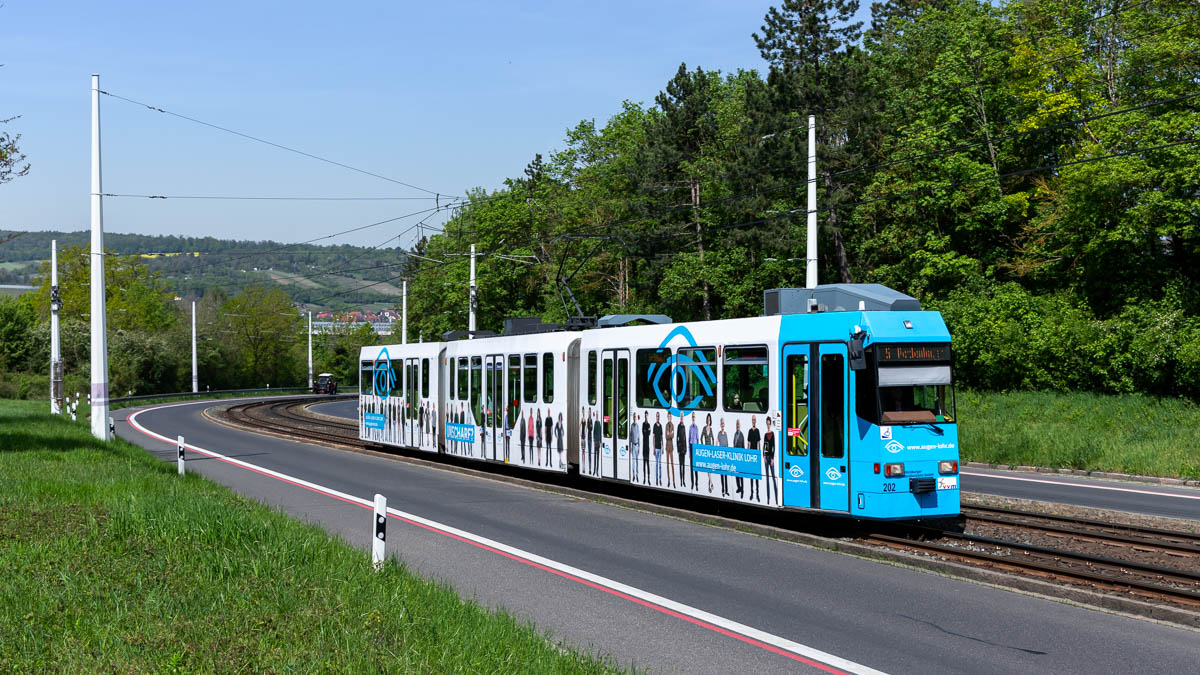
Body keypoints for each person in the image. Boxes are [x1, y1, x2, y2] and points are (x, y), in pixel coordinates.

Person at [747, 415, 762, 502]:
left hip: (756, 454)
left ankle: (757, 494)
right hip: (751, 455)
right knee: (751, 477)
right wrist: (748, 453)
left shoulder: (757, 431)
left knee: (756, 477)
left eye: (754, 420)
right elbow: (748, 443)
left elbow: (759, 442)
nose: (753, 421)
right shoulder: (749, 431)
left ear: (755, 421)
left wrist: (759, 453)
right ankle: (752, 493)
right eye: (752, 419)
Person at [763, 417, 777, 506]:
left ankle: (776, 498)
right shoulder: (765, 434)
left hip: (770, 458)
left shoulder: (772, 434)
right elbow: (764, 446)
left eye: (769, 423)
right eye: (767, 423)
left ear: (770, 423)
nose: (768, 425)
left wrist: (772, 459)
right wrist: (763, 456)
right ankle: (768, 499)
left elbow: (773, 447)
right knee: (767, 479)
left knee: (773, 479)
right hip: (766, 457)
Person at [701, 413, 714, 493]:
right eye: (707, 419)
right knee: (708, 468)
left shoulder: (711, 429)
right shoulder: (704, 428)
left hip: (710, 449)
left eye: (709, 420)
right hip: (706, 449)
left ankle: (710, 485)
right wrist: (703, 446)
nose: (708, 421)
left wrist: (712, 447)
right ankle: (711, 483)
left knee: (709, 468)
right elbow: (701, 438)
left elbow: (713, 438)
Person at [732, 419, 745, 498]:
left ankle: (742, 489)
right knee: (736, 474)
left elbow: (743, 446)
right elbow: (734, 444)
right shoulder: (735, 434)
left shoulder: (741, 435)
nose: (737, 426)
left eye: (738, 425)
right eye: (737, 425)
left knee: (741, 474)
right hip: (736, 456)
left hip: (740, 457)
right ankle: (739, 487)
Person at [717, 418, 729, 497]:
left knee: (726, 474)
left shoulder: (726, 434)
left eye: (723, 424)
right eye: (721, 424)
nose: (722, 425)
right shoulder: (719, 434)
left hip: (725, 455)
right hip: (721, 455)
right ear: (720, 425)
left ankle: (726, 490)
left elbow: (727, 444)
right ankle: (723, 490)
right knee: (722, 474)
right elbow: (716, 442)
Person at [676, 412, 687, 490]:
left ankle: (684, 480)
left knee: (684, 465)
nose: (682, 418)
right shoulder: (679, 426)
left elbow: (685, 438)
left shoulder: (684, 427)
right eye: (681, 417)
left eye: (683, 417)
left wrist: (686, 449)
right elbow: (677, 438)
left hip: (684, 448)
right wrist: (678, 449)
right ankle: (681, 480)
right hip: (680, 448)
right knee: (680, 465)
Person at [688, 412, 700, 491]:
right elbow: (688, 440)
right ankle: (692, 484)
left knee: (695, 468)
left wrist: (697, 451)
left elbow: (698, 439)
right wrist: (689, 452)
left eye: (694, 417)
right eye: (692, 416)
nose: (693, 418)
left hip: (695, 447)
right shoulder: (690, 427)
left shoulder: (696, 427)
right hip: (691, 447)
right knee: (691, 468)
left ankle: (696, 484)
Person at [664, 414, 675, 488]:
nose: (669, 418)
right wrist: (669, 434)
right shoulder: (666, 425)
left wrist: (670, 434)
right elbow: (666, 436)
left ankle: (674, 481)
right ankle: (668, 480)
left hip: (671, 447)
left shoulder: (673, 425)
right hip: (667, 447)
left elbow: (672, 436)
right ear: (667, 417)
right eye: (668, 417)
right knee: (667, 465)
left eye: (670, 417)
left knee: (672, 465)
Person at [652, 412, 664, 486]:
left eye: (658, 416)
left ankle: (660, 479)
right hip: (656, 448)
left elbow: (661, 437)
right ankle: (656, 479)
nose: (657, 417)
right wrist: (653, 448)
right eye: (657, 416)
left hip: (660, 447)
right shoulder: (654, 426)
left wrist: (663, 447)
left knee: (660, 465)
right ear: (655, 417)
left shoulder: (661, 426)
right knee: (656, 465)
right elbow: (653, 438)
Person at [641, 413, 652, 485]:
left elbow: (648, 433)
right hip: (644, 446)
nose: (646, 417)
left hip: (647, 446)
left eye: (647, 415)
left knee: (647, 463)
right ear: (644, 416)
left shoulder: (648, 425)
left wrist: (647, 431)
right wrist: (647, 431)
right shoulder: (643, 424)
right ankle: (644, 479)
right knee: (644, 463)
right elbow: (643, 432)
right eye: (645, 415)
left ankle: (648, 479)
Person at [629, 413, 640, 483]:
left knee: (637, 462)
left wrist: (639, 447)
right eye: (634, 417)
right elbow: (630, 437)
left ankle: (637, 475)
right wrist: (630, 447)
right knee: (633, 462)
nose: (634, 418)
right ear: (633, 418)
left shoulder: (638, 426)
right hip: (633, 445)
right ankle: (633, 475)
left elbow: (639, 437)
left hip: (637, 446)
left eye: (635, 417)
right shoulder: (631, 426)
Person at [592, 411, 603, 476]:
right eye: (596, 415)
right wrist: (594, 440)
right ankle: (594, 471)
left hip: (598, 442)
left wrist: (601, 442)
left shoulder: (599, 423)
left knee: (597, 457)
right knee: (595, 457)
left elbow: (600, 433)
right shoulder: (595, 423)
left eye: (597, 415)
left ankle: (597, 471)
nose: (596, 416)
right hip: (595, 441)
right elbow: (594, 432)